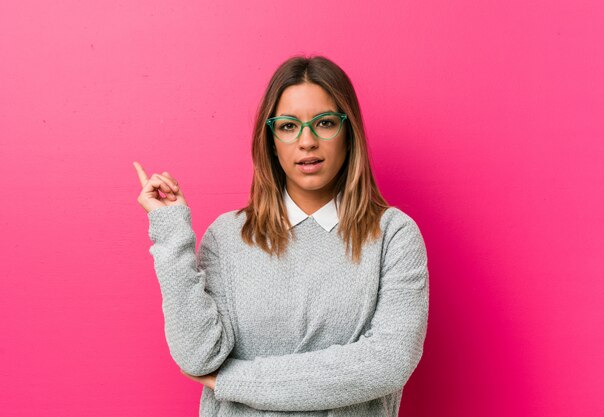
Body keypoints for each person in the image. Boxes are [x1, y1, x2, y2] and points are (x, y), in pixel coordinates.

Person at [133, 55, 429, 417]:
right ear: (271, 140)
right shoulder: (227, 237)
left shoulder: (394, 236)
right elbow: (197, 356)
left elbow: (387, 363)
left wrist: (236, 380)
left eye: (324, 123)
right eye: (288, 126)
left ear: (348, 132)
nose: (307, 141)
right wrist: (171, 231)